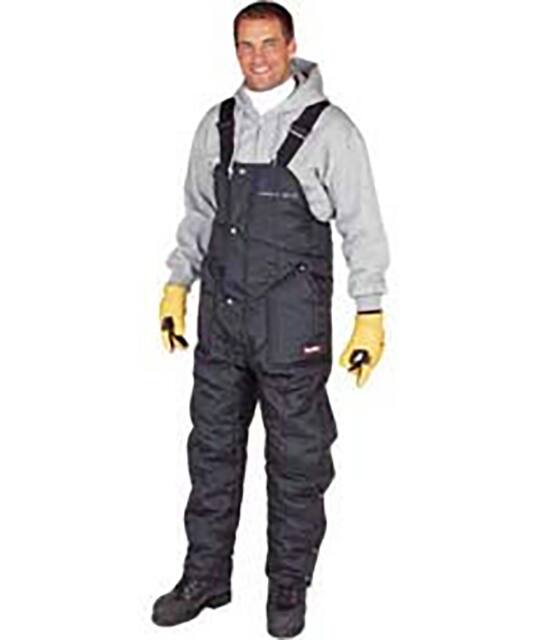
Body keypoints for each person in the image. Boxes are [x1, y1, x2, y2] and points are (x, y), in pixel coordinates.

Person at [152, 2, 390, 637]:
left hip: (293, 332)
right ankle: (205, 577)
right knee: (211, 454)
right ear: (235, 50)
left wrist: (370, 312)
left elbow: (362, 228)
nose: (256, 57)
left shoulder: (331, 130)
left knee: (297, 462)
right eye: (245, 45)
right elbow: (199, 214)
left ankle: (288, 584)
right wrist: (177, 284)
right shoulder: (218, 124)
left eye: (268, 43)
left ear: (290, 46)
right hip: (222, 327)